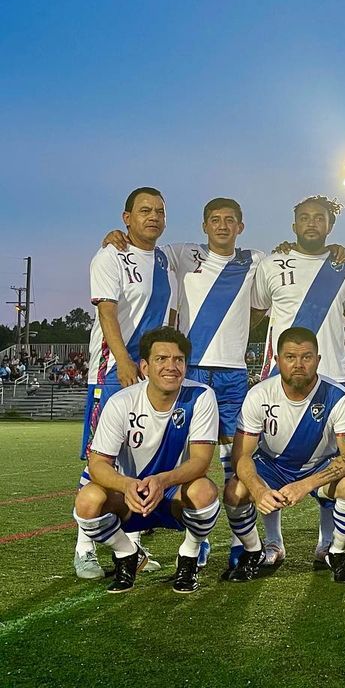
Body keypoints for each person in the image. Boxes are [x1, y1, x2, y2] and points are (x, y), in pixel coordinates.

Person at [101, 197, 266, 569]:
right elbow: (143, 250)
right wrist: (117, 236)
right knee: (189, 457)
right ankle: (199, 538)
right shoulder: (180, 254)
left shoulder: (257, 261)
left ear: (241, 226)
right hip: (188, 371)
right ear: (204, 226)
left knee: (234, 460)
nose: (222, 226)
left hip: (232, 373)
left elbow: (260, 308)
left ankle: (244, 543)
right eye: (214, 220)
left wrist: (234, 333)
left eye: (230, 220)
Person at [251, 195, 345, 567]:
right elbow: (253, 311)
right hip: (280, 379)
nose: (312, 223)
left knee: (334, 461)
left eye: (320, 218)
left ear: (330, 226)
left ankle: (327, 542)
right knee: (269, 459)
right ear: (293, 224)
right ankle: (273, 542)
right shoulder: (271, 263)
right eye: (304, 217)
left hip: (332, 380)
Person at [76, 187, 178, 579]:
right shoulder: (109, 255)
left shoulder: (169, 259)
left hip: (148, 374)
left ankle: (129, 547)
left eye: (159, 211)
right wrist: (122, 362)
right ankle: (84, 547)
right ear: (126, 217)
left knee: (138, 456)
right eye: (144, 210)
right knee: (98, 460)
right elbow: (107, 312)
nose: (153, 217)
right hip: (114, 372)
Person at [72, 327, 219, 594]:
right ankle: (127, 553)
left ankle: (189, 555)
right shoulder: (121, 402)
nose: (171, 367)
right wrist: (126, 485)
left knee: (204, 491)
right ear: (145, 367)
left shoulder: (201, 396)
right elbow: (98, 464)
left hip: (172, 493)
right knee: (87, 500)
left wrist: (163, 480)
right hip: (131, 496)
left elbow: (201, 461)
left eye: (178, 360)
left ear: (186, 366)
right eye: (161, 359)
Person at [223, 326, 345, 584]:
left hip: (318, 466)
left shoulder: (338, 397)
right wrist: (258, 490)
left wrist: (305, 485)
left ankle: (337, 552)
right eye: (290, 357)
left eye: (306, 357)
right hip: (272, 466)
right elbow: (241, 456)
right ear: (277, 360)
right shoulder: (260, 394)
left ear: (318, 360)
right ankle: (254, 551)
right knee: (235, 491)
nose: (298, 364)